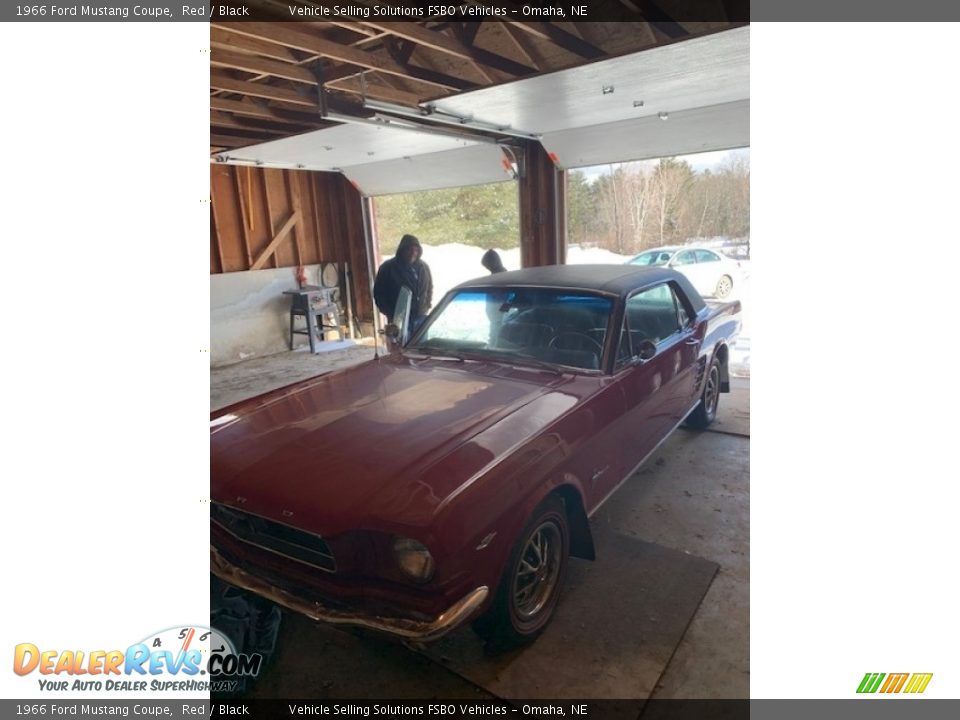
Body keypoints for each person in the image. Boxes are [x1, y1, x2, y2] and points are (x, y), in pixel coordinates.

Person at [373, 234, 433, 333]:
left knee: (418, 347)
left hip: (420, 318)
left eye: (416, 250)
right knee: (401, 347)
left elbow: (429, 288)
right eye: (409, 250)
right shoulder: (388, 268)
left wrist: (427, 305)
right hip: (398, 320)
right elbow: (379, 294)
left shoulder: (424, 267)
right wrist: (391, 314)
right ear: (402, 250)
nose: (413, 253)